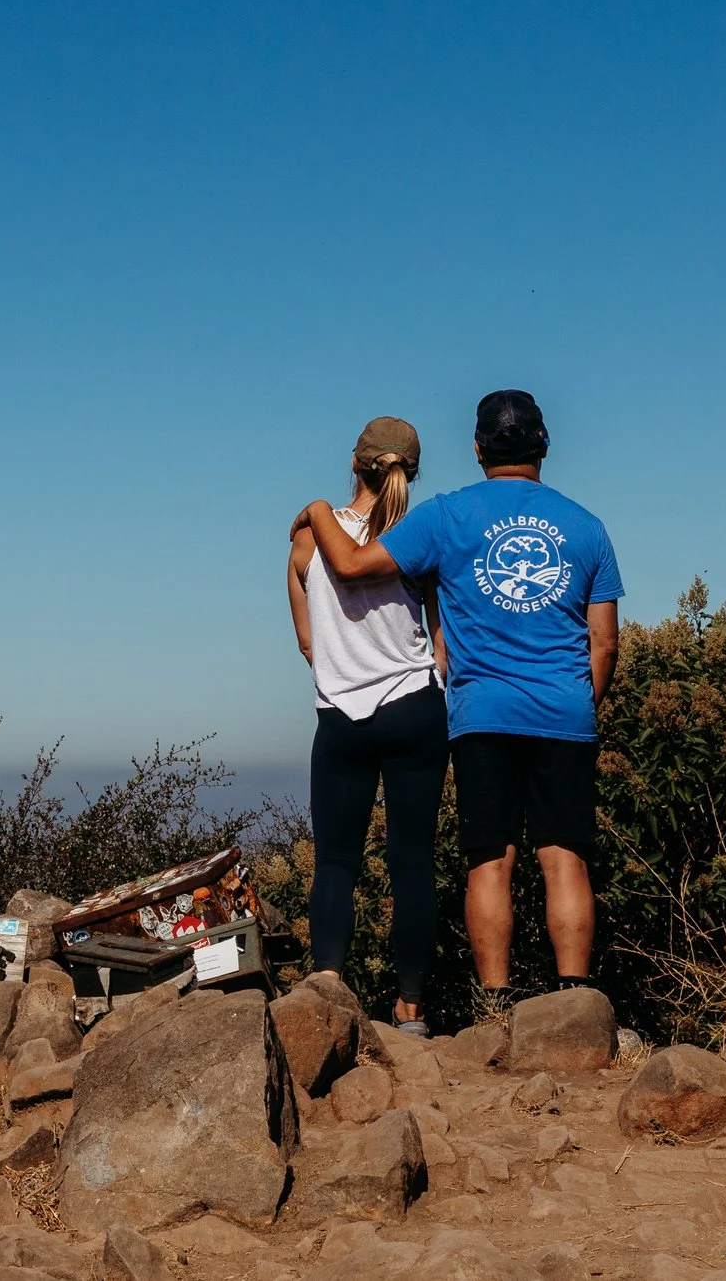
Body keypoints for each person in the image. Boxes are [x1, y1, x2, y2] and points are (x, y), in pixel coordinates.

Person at [295, 390, 621, 1006]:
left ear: (477, 450)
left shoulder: (445, 517)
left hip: (481, 715)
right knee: (564, 857)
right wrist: (580, 705)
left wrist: (315, 512)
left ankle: (495, 1006)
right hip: (559, 711)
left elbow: (353, 572)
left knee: (489, 863)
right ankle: (575, 1000)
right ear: (545, 444)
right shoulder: (587, 527)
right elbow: (602, 643)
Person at [287, 416, 448, 1034]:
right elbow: (442, 636)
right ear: (410, 471)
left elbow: (307, 641)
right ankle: (411, 1011)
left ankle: (326, 986)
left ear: (355, 465)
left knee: (335, 863)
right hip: (413, 707)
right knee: (413, 862)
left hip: (341, 717)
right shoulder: (418, 539)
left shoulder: (308, 542)